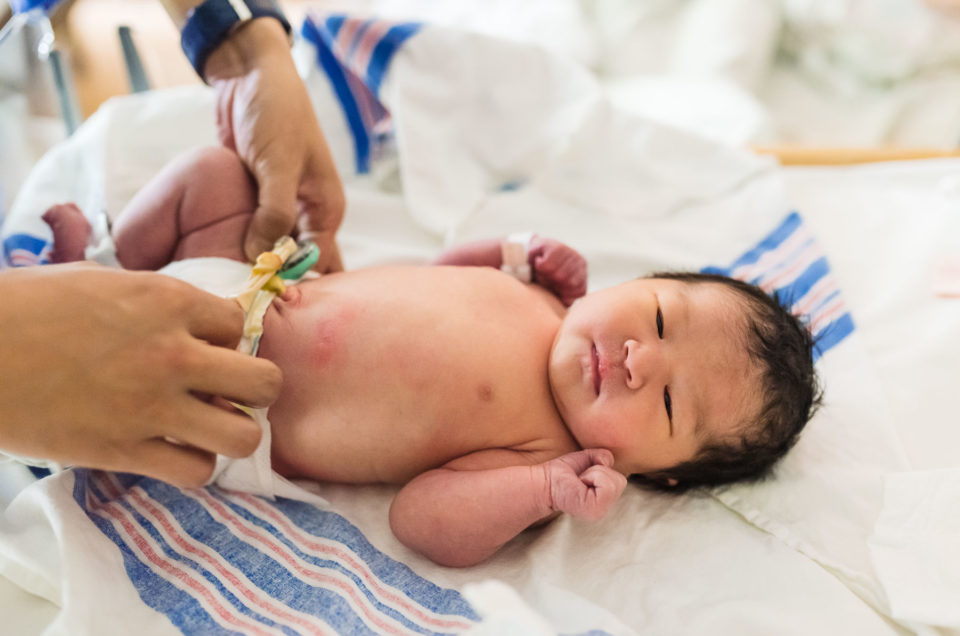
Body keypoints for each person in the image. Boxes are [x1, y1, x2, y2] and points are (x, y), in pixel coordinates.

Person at [41, 146, 821, 567]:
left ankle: (75, 318)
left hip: (225, 400)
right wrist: (496, 253)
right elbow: (422, 283)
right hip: (249, 280)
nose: (637, 361)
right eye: (656, 315)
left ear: (660, 472)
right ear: (640, 280)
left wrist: (542, 489)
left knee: (112, 383)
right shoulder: (537, 300)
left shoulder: (541, 451)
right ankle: (108, 265)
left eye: (670, 405)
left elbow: (424, 522)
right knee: (214, 176)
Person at [0, 3, 345, 485]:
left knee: (216, 174)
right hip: (202, 394)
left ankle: (103, 265)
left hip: (220, 272)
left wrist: (238, 39)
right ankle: (89, 274)